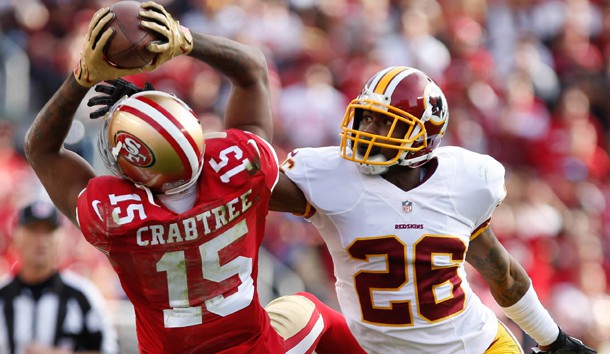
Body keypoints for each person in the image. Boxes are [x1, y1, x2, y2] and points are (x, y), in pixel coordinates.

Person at [23, 1, 363, 353]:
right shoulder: (241, 168)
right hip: (256, 347)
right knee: (312, 311)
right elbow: (253, 71)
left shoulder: (115, 216)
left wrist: (83, 77)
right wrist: (185, 40)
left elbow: (41, 149)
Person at [268, 66, 597, 353]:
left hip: (476, 347)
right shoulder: (327, 174)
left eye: (384, 123)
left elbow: (502, 273)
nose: (367, 131)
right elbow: (251, 187)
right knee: (294, 312)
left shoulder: (464, 181)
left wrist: (553, 341)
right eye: (366, 117)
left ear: (422, 135)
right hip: (377, 348)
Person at [0, 200, 118, 354]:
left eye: (48, 231)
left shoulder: (83, 295)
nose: (41, 240)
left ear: (60, 238)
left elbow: (109, 349)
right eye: (33, 230)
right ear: (16, 236)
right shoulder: (3, 295)